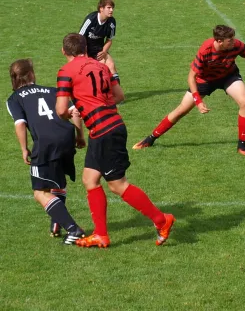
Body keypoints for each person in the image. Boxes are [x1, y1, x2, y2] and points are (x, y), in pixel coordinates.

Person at [56, 33, 175, 248]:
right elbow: (119, 96)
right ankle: (101, 234)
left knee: (118, 185)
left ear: (64, 51)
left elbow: (61, 109)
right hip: (108, 128)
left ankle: (162, 220)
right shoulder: (101, 66)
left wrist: (77, 110)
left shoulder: (66, 71)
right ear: (85, 48)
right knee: (90, 180)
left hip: (104, 132)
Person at [132, 25, 245, 156]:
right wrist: (198, 101)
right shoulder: (206, 50)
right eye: (229, 40)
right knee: (181, 110)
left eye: (233, 38)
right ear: (219, 41)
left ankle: (242, 146)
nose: (233, 42)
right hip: (204, 81)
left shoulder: (237, 45)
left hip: (228, 76)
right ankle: (150, 139)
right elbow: (191, 77)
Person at [6, 59, 86, 245]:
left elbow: (20, 124)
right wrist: (80, 135)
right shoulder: (52, 90)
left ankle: (73, 229)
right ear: (32, 74)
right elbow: (74, 111)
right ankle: (57, 222)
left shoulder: (14, 99)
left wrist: (24, 148)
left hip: (46, 143)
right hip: (66, 137)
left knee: (39, 192)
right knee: (57, 181)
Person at [79, 0, 120, 84]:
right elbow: (80, 38)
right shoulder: (90, 19)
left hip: (99, 50)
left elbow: (109, 39)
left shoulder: (112, 22)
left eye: (112, 8)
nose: (111, 10)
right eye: (109, 8)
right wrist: (85, 56)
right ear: (101, 8)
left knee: (111, 66)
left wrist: (104, 51)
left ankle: (116, 94)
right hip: (84, 49)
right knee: (94, 71)